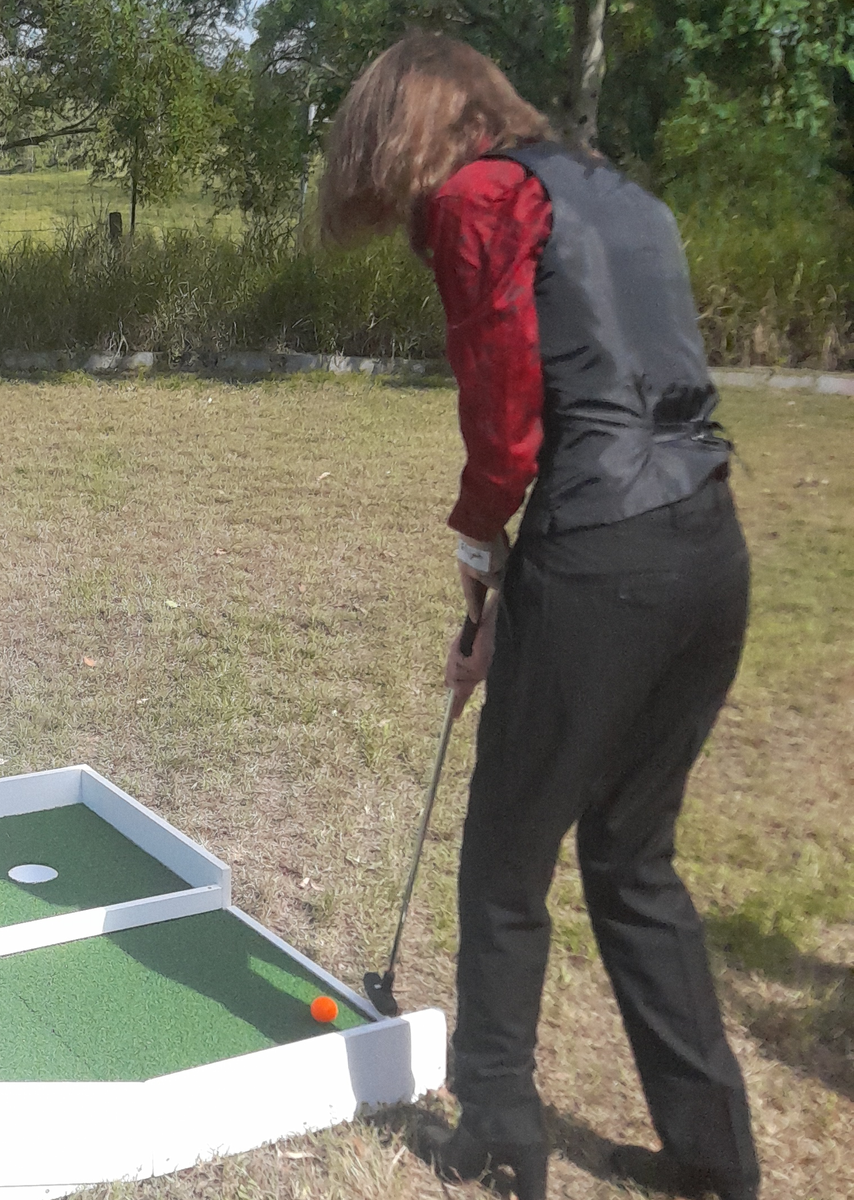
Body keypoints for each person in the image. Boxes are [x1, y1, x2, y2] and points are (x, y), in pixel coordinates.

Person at [315, 31, 759, 1200]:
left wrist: (480, 544)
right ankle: (716, 1161)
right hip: (708, 551)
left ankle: (499, 1133)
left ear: (418, 126)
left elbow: (508, 410)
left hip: (601, 551)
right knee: (632, 858)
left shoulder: (476, 200)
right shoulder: (621, 193)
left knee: (506, 863)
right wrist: (518, 594)